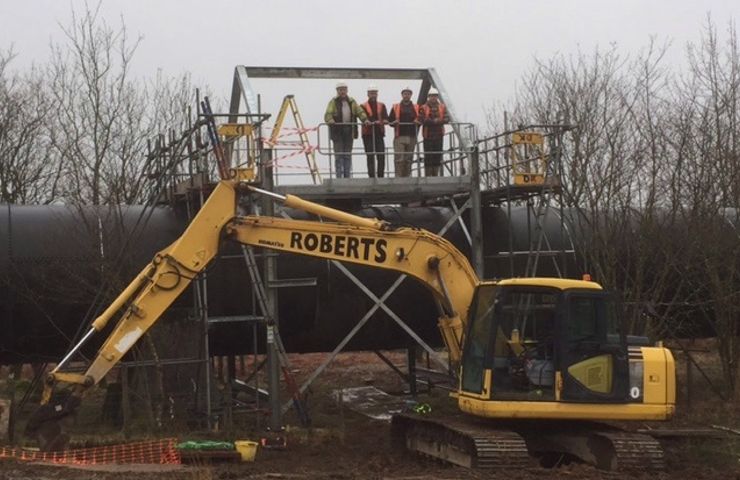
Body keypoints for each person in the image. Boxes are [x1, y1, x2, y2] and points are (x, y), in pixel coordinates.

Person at [324, 82, 368, 178]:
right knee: (339, 155)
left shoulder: (352, 101)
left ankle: (347, 176)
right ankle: (339, 177)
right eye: (340, 90)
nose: (342, 91)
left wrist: (365, 119)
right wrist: (330, 120)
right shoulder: (333, 102)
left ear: (347, 90)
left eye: (344, 89)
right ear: (337, 91)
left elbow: (359, 111)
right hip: (337, 132)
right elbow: (328, 114)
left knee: (347, 154)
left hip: (349, 131)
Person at [387, 86, 419, 177]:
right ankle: (398, 177)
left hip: (411, 136)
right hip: (399, 136)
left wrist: (418, 121)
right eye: (405, 94)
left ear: (411, 95)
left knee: (409, 159)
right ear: (402, 95)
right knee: (399, 158)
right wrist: (394, 122)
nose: (406, 96)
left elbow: (421, 118)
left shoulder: (416, 107)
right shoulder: (396, 107)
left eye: (408, 94)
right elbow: (390, 121)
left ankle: (407, 177)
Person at [418, 87, 449, 177]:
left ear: (437, 97)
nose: (433, 98)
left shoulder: (442, 107)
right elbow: (422, 119)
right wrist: (436, 121)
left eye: (435, 96)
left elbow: (446, 119)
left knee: (437, 156)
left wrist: (433, 121)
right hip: (428, 136)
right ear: (428, 97)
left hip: (439, 135)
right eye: (432, 96)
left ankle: (435, 175)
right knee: (428, 156)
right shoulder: (423, 107)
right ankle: (428, 176)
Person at [360, 85, 388, 178]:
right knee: (370, 156)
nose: (373, 95)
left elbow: (386, 118)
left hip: (379, 133)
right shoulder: (363, 106)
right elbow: (363, 117)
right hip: (367, 134)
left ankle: (381, 176)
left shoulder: (382, 105)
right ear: (368, 94)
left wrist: (382, 121)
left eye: (375, 93)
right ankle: (371, 176)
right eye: (371, 93)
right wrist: (373, 121)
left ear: (377, 94)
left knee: (381, 156)